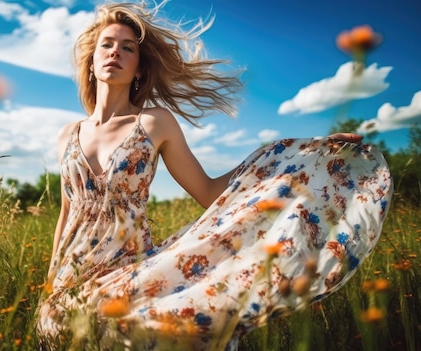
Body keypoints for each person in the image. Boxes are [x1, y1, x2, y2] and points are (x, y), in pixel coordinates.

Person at [36, 2, 392, 350]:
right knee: (57, 328)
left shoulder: (153, 123)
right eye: (107, 44)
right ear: (92, 60)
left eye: (127, 48)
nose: (115, 52)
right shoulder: (67, 134)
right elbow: (68, 213)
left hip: (127, 267)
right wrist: (52, 282)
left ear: (139, 69)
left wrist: (302, 155)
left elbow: (208, 191)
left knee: (143, 330)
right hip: (72, 271)